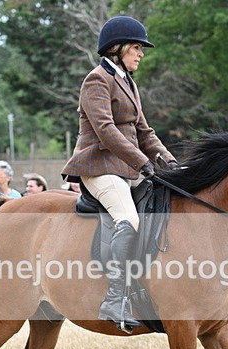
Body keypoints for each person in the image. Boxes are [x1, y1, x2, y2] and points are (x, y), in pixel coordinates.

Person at [61, 16, 177, 331]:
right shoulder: (96, 80)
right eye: (137, 48)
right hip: (98, 167)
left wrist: (169, 161)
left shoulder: (128, 82)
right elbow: (107, 131)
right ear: (117, 48)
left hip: (125, 167)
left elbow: (144, 131)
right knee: (130, 219)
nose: (140, 54)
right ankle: (115, 300)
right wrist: (142, 163)